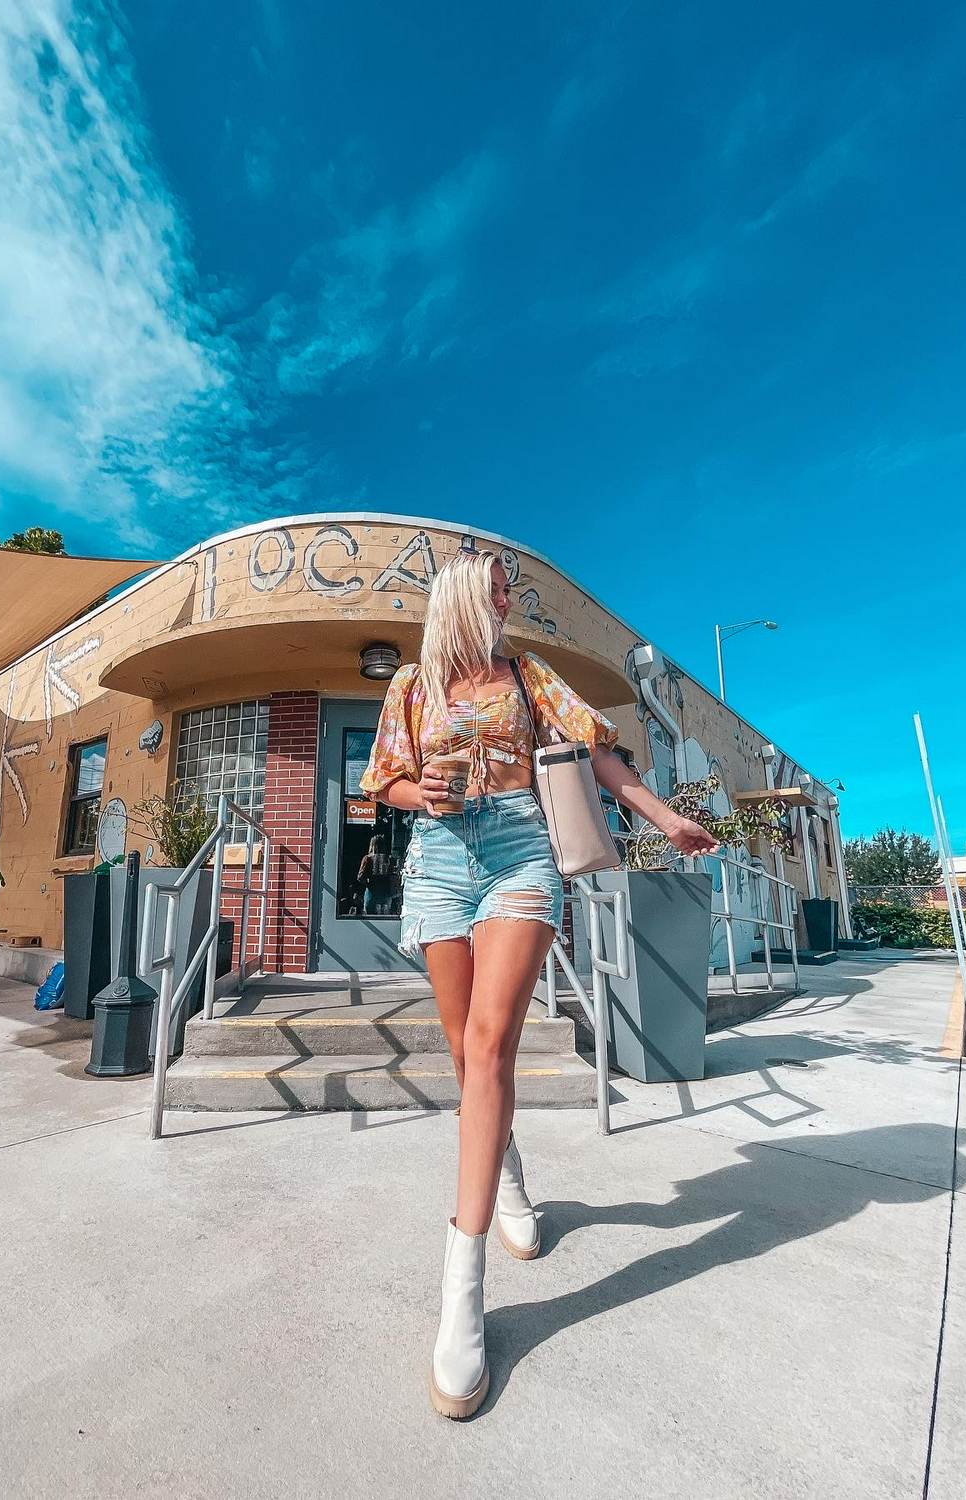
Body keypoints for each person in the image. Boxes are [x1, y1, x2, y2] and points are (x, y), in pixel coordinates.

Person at [360, 550, 719, 1419]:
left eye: (508, 587)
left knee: (490, 1048)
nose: (508, 598)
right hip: (441, 862)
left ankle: (462, 1285)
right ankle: (509, 1174)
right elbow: (386, 778)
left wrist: (664, 816)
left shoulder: (528, 675)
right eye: (495, 589)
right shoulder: (412, 683)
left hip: (522, 853)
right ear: (460, 600)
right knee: (462, 1051)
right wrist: (424, 791)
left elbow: (593, 753)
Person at [357, 834, 396, 916]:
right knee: (385, 916)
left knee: (370, 916)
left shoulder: (368, 858)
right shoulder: (389, 859)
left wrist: (368, 883)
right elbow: (393, 876)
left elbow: (360, 877)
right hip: (385, 892)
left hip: (371, 892)